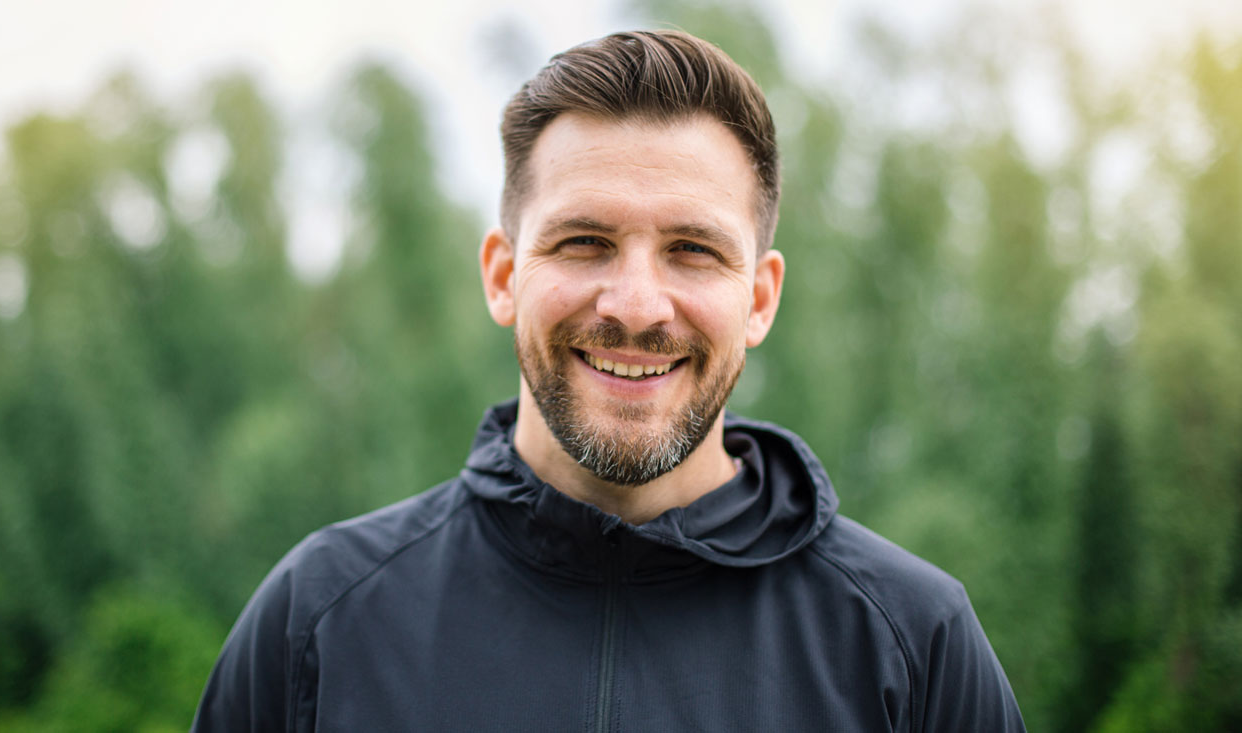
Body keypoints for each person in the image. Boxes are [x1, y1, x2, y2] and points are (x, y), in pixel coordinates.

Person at [192, 29, 1025, 732]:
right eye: (583, 241)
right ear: (502, 274)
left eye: (692, 250)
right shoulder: (321, 622)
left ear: (761, 298)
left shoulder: (913, 644)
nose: (635, 305)